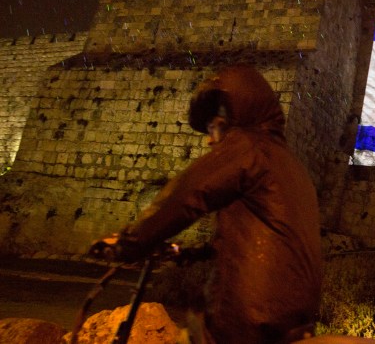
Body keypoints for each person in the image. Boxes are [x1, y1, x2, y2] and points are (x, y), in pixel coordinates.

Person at [91, 64, 323, 344]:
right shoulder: (290, 163)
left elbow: (187, 194)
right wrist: (194, 253)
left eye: (213, 128)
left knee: (190, 335)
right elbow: (260, 234)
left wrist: (129, 242)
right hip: (294, 317)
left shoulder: (247, 146)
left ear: (229, 117)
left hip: (249, 315)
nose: (210, 142)